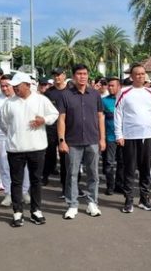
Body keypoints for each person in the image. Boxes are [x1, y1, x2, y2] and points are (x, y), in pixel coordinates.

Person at [0, 73, 59, 227]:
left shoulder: (41, 99)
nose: (15, 88)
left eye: (17, 86)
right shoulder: (9, 103)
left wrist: (43, 120)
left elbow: (54, 114)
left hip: (36, 147)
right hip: (15, 148)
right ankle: (17, 213)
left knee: (36, 181)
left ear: (27, 84)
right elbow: (3, 124)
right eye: (14, 86)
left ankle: (36, 211)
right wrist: (15, 134)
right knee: (16, 181)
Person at [57, 64, 106, 220]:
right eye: (79, 73)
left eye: (85, 73)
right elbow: (61, 119)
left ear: (88, 75)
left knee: (93, 173)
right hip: (72, 141)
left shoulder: (95, 94)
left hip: (92, 139)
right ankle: (72, 205)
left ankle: (92, 202)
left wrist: (102, 138)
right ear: (73, 75)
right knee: (71, 174)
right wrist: (62, 140)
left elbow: (100, 117)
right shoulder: (66, 95)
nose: (82, 76)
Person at [114, 63, 151, 214]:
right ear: (131, 76)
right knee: (129, 169)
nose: (140, 76)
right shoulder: (124, 92)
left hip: (146, 137)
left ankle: (144, 199)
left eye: (142, 74)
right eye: (137, 74)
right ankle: (128, 200)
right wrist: (119, 135)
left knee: (145, 169)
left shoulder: (150, 92)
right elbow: (118, 114)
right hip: (129, 137)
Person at [0, 76, 30, 207]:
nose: (5, 88)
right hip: (2, 137)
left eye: (7, 85)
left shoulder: (21, 99)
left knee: (24, 166)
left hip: (20, 137)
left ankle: (24, 192)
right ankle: (8, 193)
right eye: (2, 86)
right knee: (5, 166)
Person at [42, 68, 69, 193]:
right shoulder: (49, 93)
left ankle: (65, 184)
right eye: (54, 75)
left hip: (67, 128)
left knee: (65, 157)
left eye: (59, 75)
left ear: (64, 75)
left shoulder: (70, 91)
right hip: (51, 128)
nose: (57, 77)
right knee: (49, 154)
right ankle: (45, 176)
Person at [102, 78, 123, 195]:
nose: (110, 88)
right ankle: (110, 185)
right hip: (109, 137)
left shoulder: (124, 100)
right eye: (108, 86)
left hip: (124, 137)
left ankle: (119, 185)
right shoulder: (103, 101)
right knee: (109, 163)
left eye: (112, 86)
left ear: (119, 86)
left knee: (122, 162)